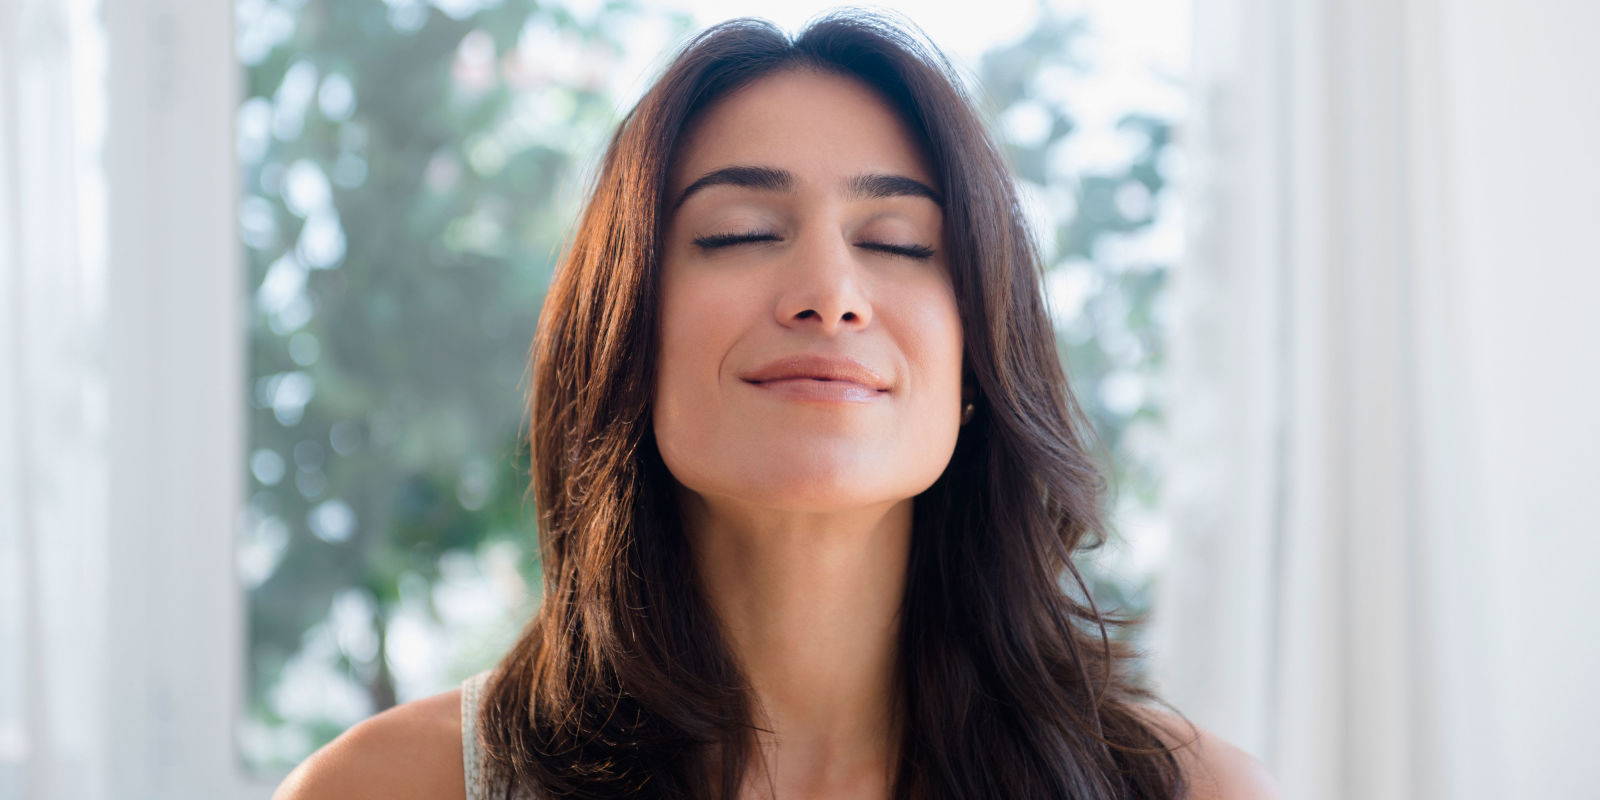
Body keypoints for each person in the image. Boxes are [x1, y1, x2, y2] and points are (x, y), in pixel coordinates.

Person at [276, 9, 1280, 799]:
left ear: (979, 361)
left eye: (898, 243)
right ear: (625, 335)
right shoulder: (386, 788)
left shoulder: (1188, 791)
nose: (828, 289)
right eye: (741, 231)